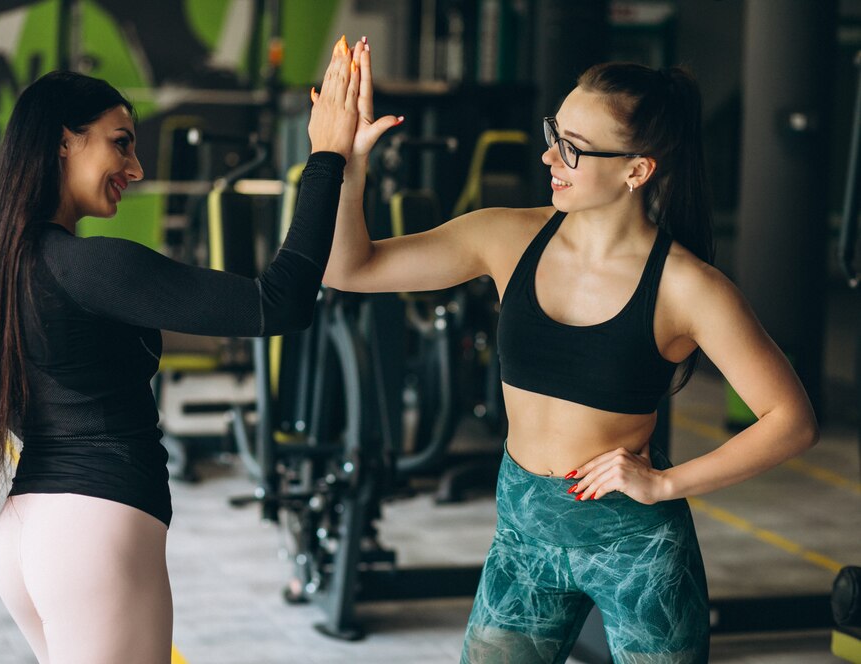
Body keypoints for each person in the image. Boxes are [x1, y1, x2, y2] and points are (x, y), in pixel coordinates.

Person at [324, 47, 819, 664]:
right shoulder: (504, 237)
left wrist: (666, 482)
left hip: (634, 550)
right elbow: (349, 267)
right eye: (554, 134)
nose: (548, 156)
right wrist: (343, 165)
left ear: (637, 171)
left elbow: (791, 420)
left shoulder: (688, 288)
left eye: (574, 148)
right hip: (524, 538)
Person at [0, 36, 360, 662]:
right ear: (63, 141)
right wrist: (327, 157)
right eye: (120, 142)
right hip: (90, 534)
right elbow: (278, 303)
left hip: (31, 533)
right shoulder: (90, 267)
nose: (136, 167)